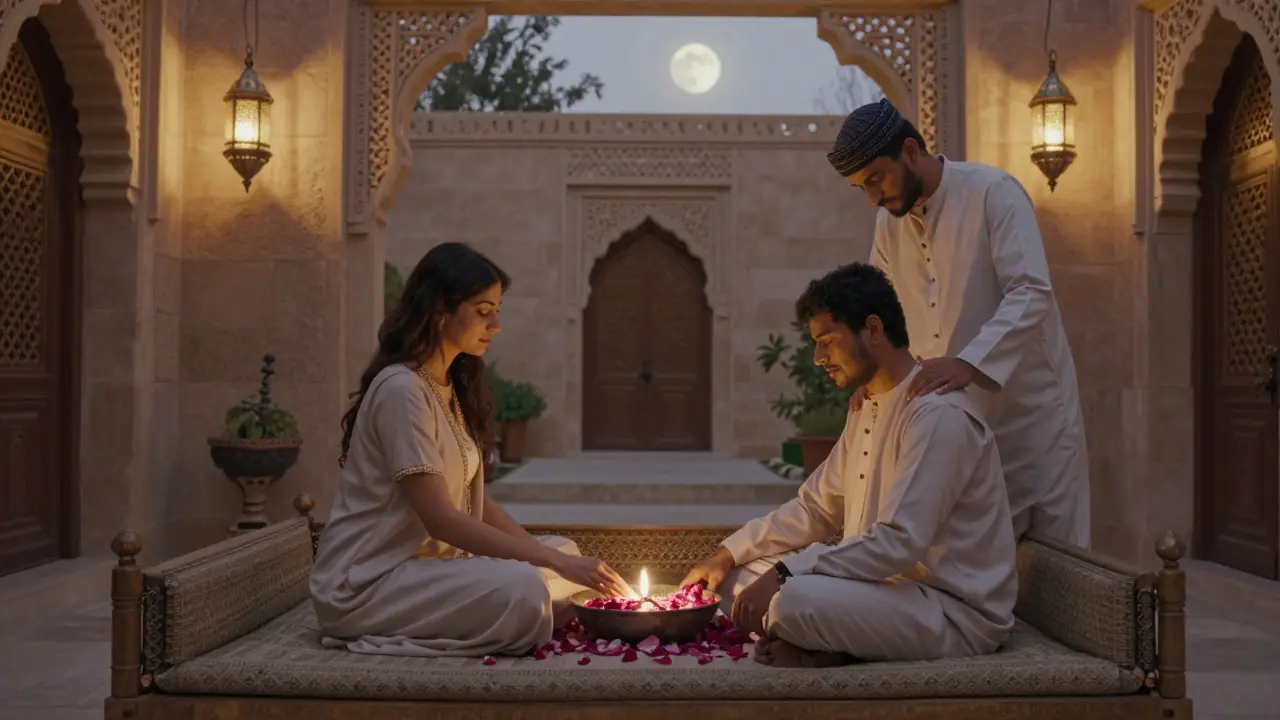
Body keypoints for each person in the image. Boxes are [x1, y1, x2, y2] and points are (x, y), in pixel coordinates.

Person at [682, 263, 1017, 668]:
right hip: (878, 591)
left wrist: (788, 573)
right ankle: (816, 642)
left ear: (872, 330)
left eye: (827, 341)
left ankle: (818, 641)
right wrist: (727, 554)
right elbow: (814, 508)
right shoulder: (868, 406)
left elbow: (898, 543)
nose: (819, 357)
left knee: (795, 601)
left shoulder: (937, 415)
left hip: (948, 610)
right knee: (736, 581)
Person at [311, 242, 630, 659]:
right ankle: (527, 609)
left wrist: (551, 558)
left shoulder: (448, 388)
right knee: (526, 587)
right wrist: (547, 565)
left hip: (426, 572)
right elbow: (443, 520)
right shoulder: (402, 390)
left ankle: (531, 601)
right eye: (483, 311)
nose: (495, 324)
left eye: (497, 310)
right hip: (367, 583)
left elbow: (476, 500)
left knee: (564, 553)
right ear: (441, 309)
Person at [825, 98, 1091, 548]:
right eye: (861, 188)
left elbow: (1031, 291)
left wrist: (967, 364)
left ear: (910, 150)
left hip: (1029, 425)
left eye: (876, 179)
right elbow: (880, 310)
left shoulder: (993, 192)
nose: (873, 196)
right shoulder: (888, 225)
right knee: (969, 567)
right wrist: (869, 371)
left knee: (1054, 578)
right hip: (952, 427)